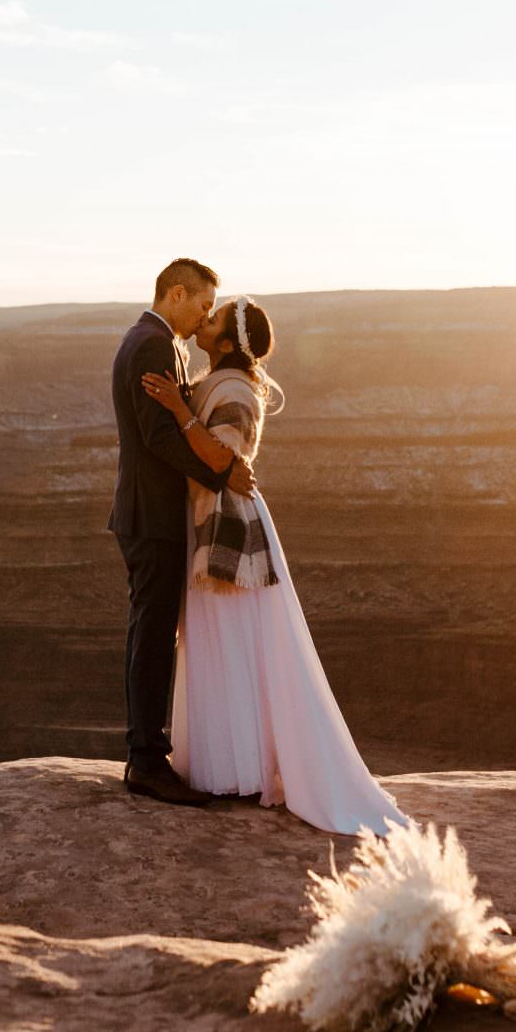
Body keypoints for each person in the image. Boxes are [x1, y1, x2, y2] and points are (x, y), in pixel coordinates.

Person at [141, 294, 406, 836]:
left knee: (233, 645)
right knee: (218, 646)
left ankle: (241, 772)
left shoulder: (236, 390)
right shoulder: (221, 381)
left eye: (213, 319)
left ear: (229, 340)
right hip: (210, 518)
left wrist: (175, 409)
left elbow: (221, 458)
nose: (203, 322)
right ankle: (227, 770)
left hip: (230, 527)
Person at [107, 257, 254, 806]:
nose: (203, 318)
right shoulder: (152, 345)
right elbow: (158, 439)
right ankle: (145, 760)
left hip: (149, 513)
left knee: (151, 632)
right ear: (175, 294)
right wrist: (222, 471)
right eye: (202, 306)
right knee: (152, 635)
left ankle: (146, 754)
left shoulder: (150, 339)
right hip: (153, 516)